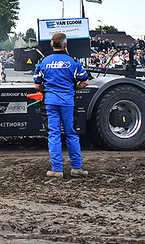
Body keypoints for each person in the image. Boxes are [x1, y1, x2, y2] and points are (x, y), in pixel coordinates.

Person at [33, 32, 90, 179]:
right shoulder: (74, 61)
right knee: (71, 134)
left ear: (51, 45)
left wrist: (48, 91)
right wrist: (72, 88)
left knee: (54, 134)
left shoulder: (43, 61)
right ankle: (77, 168)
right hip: (68, 103)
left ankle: (57, 170)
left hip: (51, 102)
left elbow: (37, 85)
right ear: (66, 45)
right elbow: (85, 82)